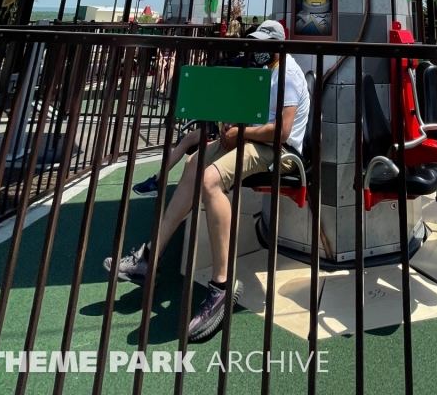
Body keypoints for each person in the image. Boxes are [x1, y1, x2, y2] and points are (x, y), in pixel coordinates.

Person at [105, 19, 310, 343]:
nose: (255, 49)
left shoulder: (287, 74)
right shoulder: (266, 72)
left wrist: (240, 132)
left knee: (210, 181)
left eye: (262, 43)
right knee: (192, 163)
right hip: (252, 139)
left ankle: (221, 286)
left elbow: (281, 132)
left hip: (278, 151)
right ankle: (149, 257)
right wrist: (230, 127)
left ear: (277, 45)